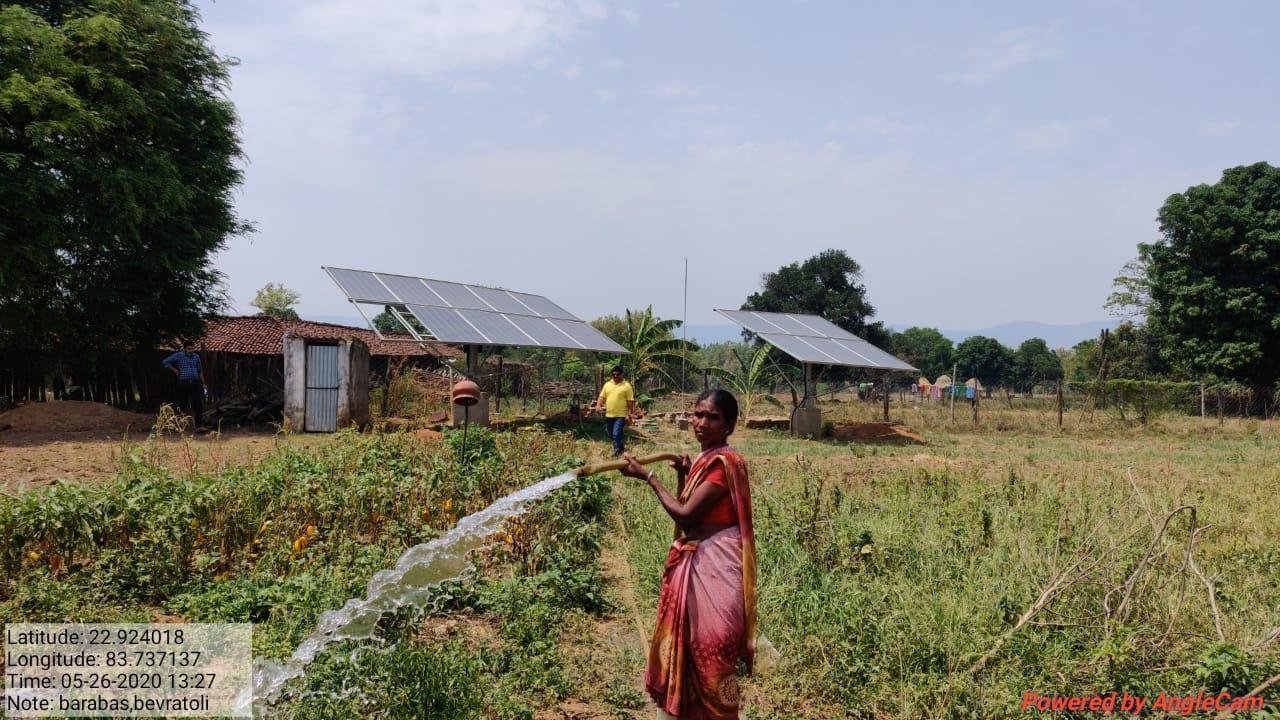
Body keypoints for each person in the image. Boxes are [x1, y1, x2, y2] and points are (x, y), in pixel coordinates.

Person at [619, 389, 757, 720]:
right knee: (691, 650)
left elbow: (684, 515)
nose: (702, 423)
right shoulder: (705, 460)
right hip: (700, 565)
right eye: (698, 414)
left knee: (714, 654)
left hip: (717, 570)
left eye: (712, 417)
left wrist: (648, 477)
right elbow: (693, 512)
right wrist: (683, 473)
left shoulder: (723, 464)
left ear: (730, 425)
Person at [162, 340, 208, 432]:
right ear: (185, 349)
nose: (191, 350)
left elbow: (200, 370)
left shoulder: (196, 357)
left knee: (198, 404)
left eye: (192, 348)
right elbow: (165, 362)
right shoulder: (179, 355)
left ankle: (198, 426)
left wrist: (203, 383)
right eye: (189, 349)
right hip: (183, 383)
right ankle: (181, 426)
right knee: (182, 405)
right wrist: (175, 371)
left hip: (195, 383)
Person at [595, 365, 636, 457]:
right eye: (613, 374)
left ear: (622, 375)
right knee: (610, 434)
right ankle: (621, 448)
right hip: (609, 415)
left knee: (616, 434)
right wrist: (598, 405)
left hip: (620, 415)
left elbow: (630, 401)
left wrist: (629, 414)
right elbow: (602, 397)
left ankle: (616, 452)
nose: (615, 376)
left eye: (618, 374)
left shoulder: (627, 386)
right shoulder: (607, 385)